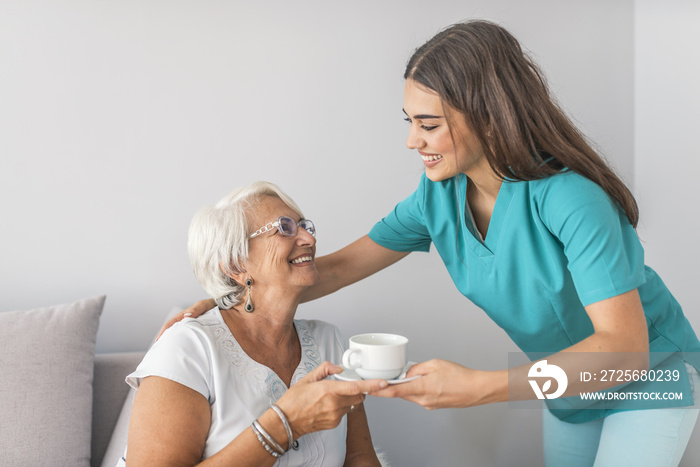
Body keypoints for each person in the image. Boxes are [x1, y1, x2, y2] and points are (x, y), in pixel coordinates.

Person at [177, 20, 700, 466]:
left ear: (489, 117)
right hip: (568, 388)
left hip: (650, 378)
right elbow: (335, 269)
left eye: (429, 124)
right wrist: (232, 304)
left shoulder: (570, 200)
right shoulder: (438, 198)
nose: (412, 141)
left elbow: (626, 350)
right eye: (410, 123)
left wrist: (482, 387)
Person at [120, 181, 388, 466]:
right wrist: (285, 424)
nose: (309, 239)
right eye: (284, 227)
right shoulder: (187, 349)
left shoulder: (328, 340)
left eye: (304, 226)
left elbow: (360, 458)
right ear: (236, 265)